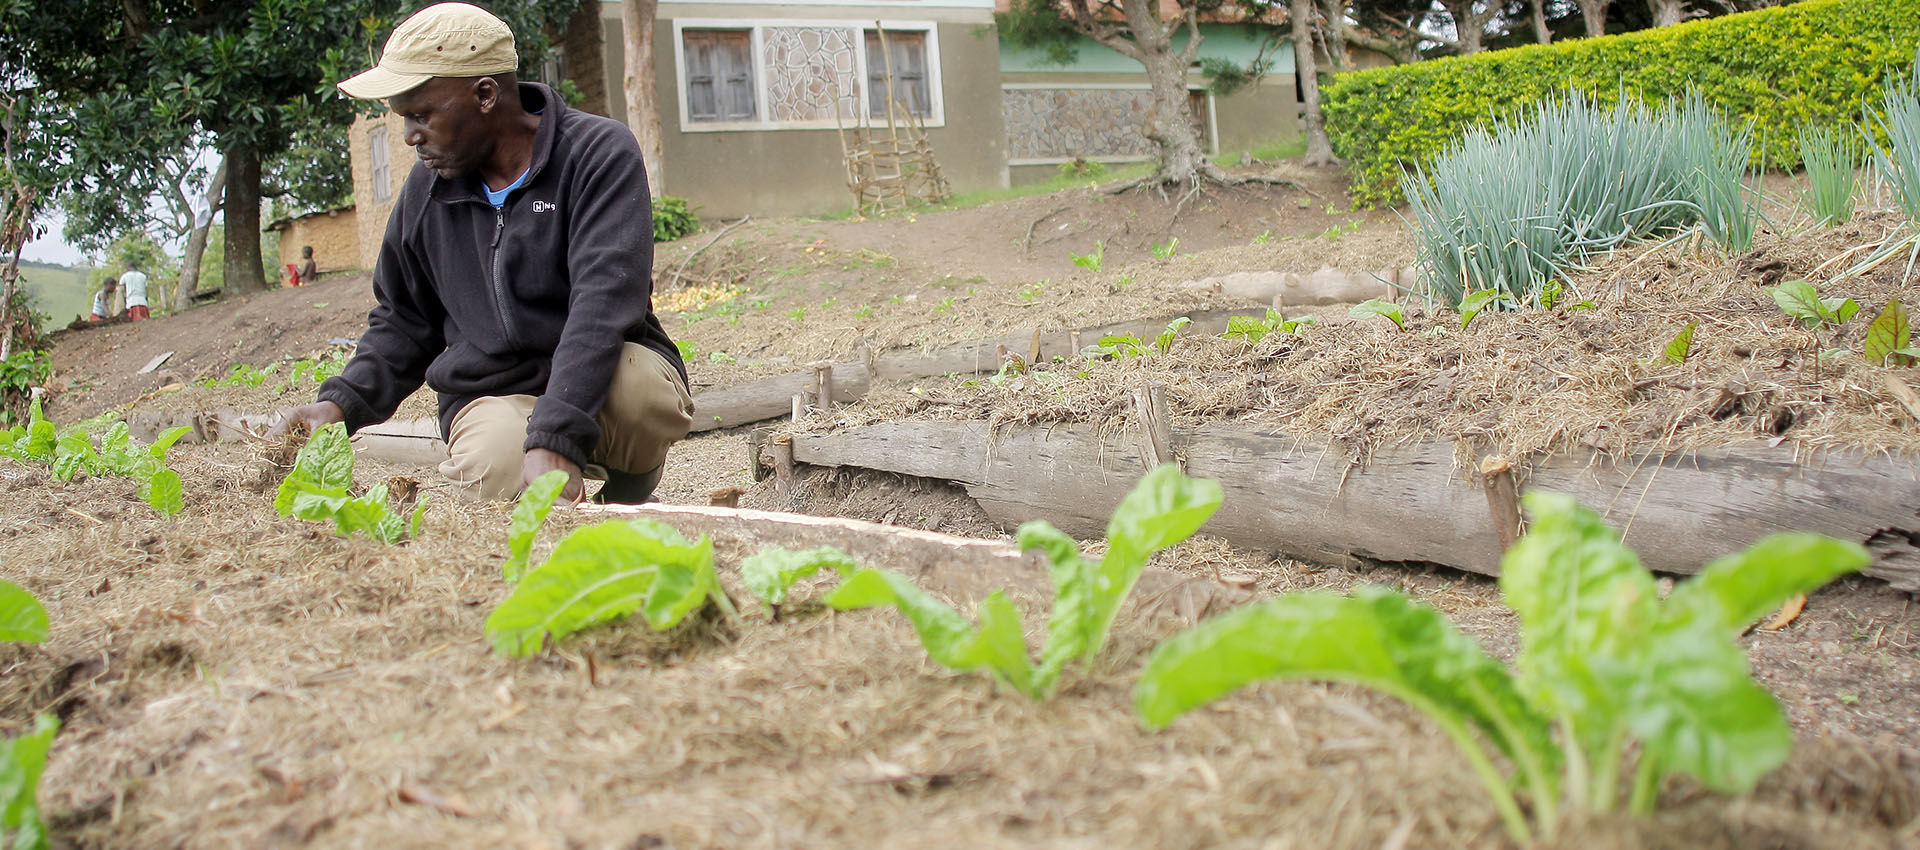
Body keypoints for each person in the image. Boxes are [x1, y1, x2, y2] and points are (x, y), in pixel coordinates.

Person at [269, 2, 692, 505]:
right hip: (491, 392)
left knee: (645, 397)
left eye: (421, 115)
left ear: (486, 94)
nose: (409, 137)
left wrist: (554, 438)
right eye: (404, 119)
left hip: (601, 372)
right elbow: (404, 320)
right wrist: (341, 403)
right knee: (492, 470)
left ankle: (630, 477)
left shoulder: (595, 154)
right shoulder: (425, 193)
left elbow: (602, 305)